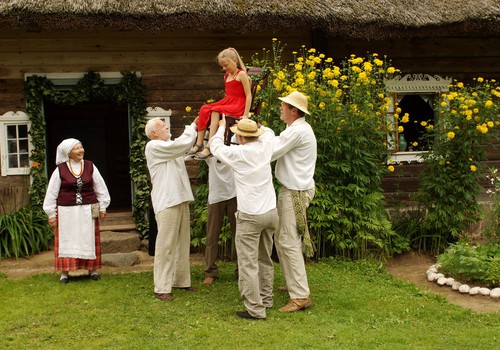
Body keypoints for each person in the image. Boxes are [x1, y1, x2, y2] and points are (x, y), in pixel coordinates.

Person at [211, 117, 278, 320]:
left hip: (250, 215)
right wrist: (258, 125)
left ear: (239, 137)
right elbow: (270, 133)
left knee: (248, 263)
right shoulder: (265, 145)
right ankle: (266, 300)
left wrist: (221, 128)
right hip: (271, 212)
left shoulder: (237, 153)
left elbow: (215, 147)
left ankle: (256, 309)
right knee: (265, 258)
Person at [270, 90, 317, 313]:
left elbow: (272, 152)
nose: (281, 108)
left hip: (296, 191)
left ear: (294, 110)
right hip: (290, 189)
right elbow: (277, 143)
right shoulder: (292, 129)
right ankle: (293, 285)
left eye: (284, 106)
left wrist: (250, 139)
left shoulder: (298, 131)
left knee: (289, 240)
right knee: (282, 238)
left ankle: (300, 296)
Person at [145, 117, 199, 301]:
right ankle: (161, 286)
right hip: (167, 202)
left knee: (183, 243)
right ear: (154, 133)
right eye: (162, 126)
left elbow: (186, 149)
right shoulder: (153, 146)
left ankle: (181, 281)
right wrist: (193, 125)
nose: (167, 126)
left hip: (180, 199)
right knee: (165, 246)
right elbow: (181, 145)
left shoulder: (169, 146)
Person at [43, 138, 110, 283]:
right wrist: (51, 214)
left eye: (81, 147)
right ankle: (64, 273)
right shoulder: (60, 169)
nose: (81, 151)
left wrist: (103, 205)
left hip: (88, 209)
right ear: (68, 153)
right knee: (68, 239)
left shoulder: (90, 166)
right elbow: (52, 193)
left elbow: (100, 187)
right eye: (77, 148)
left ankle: (92, 270)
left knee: (88, 238)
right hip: (66, 211)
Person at [188, 47, 252, 160]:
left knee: (216, 109)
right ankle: (199, 143)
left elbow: (248, 95)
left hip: (238, 104)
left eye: (226, 65)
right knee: (204, 108)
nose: (224, 68)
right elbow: (228, 94)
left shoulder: (241, 74)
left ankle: (210, 146)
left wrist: (245, 114)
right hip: (229, 101)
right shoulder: (227, 75)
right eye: (222, 66)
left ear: (235, 61)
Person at [202, 156, 238, 286]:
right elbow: (198, 150)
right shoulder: (211, 147)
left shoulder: (234, 145)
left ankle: (242, 271)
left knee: (239, 235)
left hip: (235, 194)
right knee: (212, 236)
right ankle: (210, 272)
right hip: (216, 196)